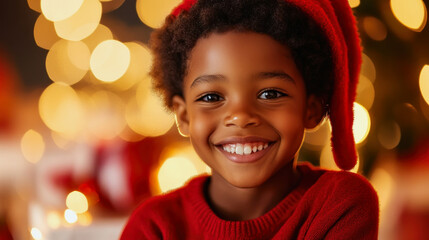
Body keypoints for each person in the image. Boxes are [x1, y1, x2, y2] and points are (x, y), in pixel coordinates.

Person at [120, 0, 379, 239]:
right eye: (211, 97)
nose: (241, 117)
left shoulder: (340, 204)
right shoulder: (153, 226)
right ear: (184, 115)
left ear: (311, 108)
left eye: (270, 93)